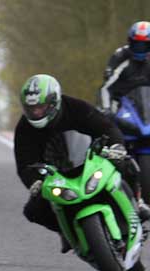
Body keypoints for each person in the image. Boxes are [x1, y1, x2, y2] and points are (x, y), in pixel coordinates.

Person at [14, 74, 150, 251]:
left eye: (41, 107)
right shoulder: (24, 128)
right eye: (31, 109)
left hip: (91, 160)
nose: (36, 112)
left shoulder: (76, 107)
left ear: (54, 101)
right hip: (56, 174)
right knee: (33, 210)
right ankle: (65, 231)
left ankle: (137, 203)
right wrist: (34, 181)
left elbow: (107, 127)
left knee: (126, 163)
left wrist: (115, 146)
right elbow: (24, 163)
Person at [99, 21, 150, 113]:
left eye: (145, 45)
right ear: (130, 42)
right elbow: (106, 88)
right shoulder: (120, 57)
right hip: (120, 107)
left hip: (146, 109)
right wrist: (106, 109)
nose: (140, 49)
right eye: (136, 44)